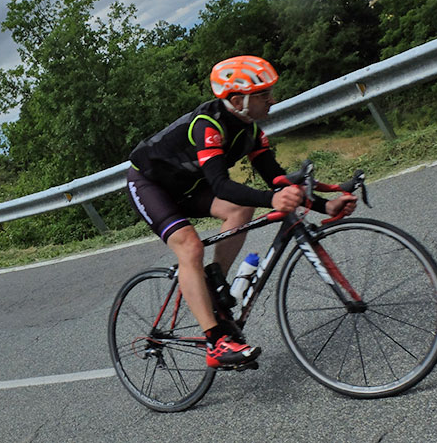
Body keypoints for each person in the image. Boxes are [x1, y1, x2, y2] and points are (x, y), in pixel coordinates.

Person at [127, 55, 357, 368]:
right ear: (238, 99)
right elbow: (221, 186)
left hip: (189, 187)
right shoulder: (207, 126)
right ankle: (215, 343)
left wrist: (324, 204)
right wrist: (273, 199)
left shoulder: (250, 131)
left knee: (243, 207)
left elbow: (276, 181)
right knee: (190, 246)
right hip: (150, 185)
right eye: (263, 95)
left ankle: (214, 278)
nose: (272, 100)